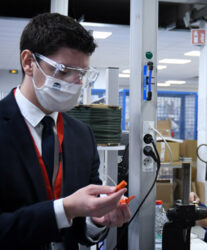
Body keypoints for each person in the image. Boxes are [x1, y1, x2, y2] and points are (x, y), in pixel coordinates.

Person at [0, 13, 131, 249]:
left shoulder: (82, 135)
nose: (74, 82)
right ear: (29, 62)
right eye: (63, 70)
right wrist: (65, 208)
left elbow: (80, 228)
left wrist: (97, 220)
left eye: (81, 74)